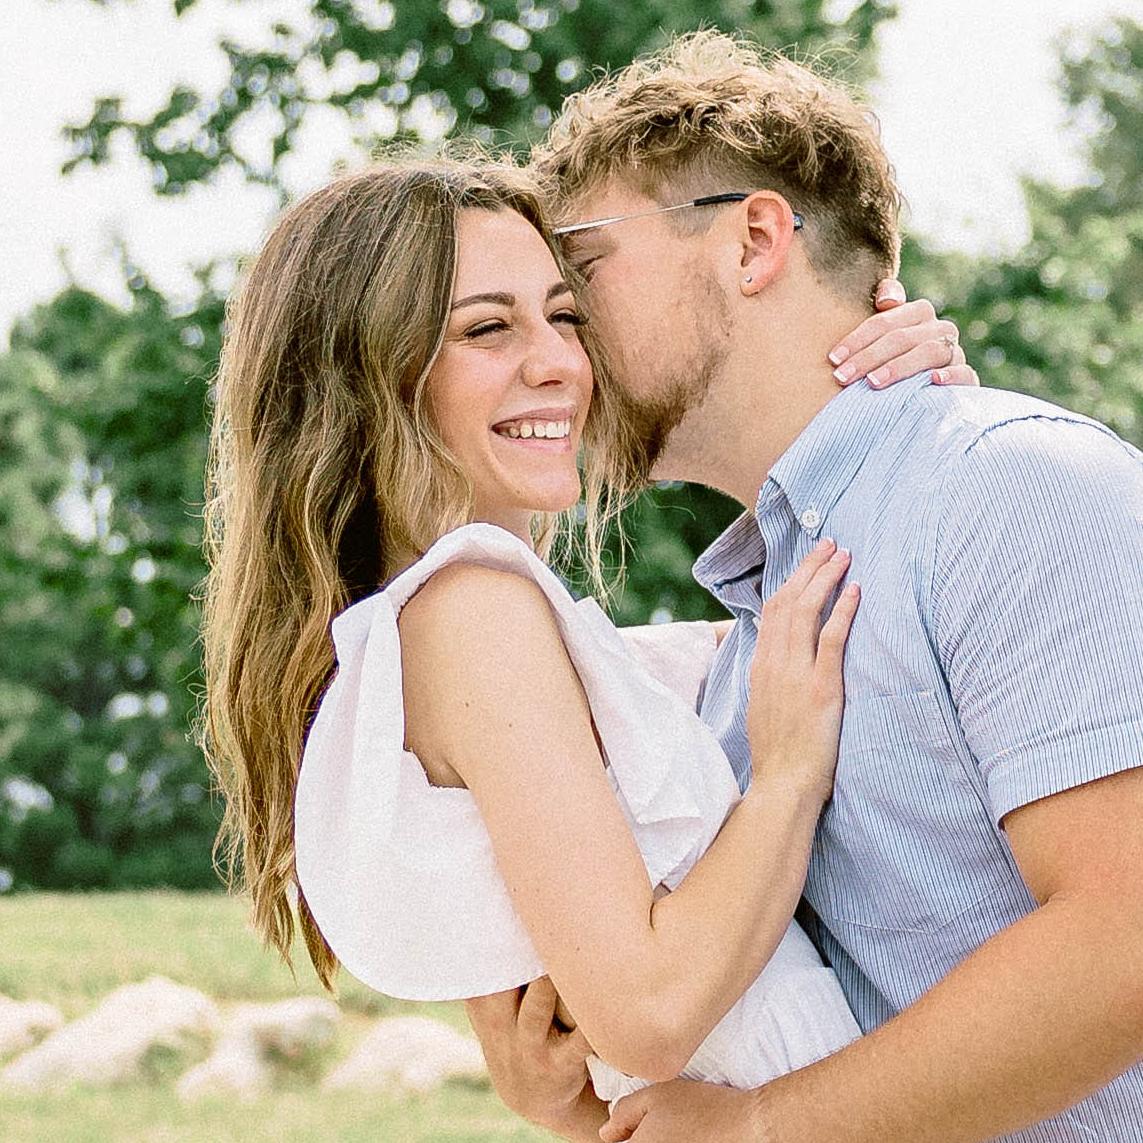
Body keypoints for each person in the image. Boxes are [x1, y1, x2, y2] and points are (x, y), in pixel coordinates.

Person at [198, 156, 977, 1128]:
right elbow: (648, 1017)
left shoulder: (434, 638)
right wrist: (786, 777)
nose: (560, 361)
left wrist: (888, 396)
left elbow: (591, 1071)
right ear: (363, 373)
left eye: (565, 316)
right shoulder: (475, 615)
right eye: (487, 328)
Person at [467, 30, 1143, 1143]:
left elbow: (1126, 938)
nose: (562, 342)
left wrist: (760, 1130)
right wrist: (577, 1104)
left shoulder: (1009, 488)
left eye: (579, 276)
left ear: (754, 241)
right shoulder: (752, 641)